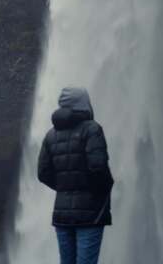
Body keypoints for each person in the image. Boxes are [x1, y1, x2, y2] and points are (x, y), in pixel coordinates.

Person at [37, 86, 114, 264]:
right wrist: (103, 189)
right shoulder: (91, 129)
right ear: (83, 104)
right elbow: (98, 168)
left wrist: (66, 187)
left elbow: (42, 173)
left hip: (62, 215)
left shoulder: (51, 135)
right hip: (90, 214)